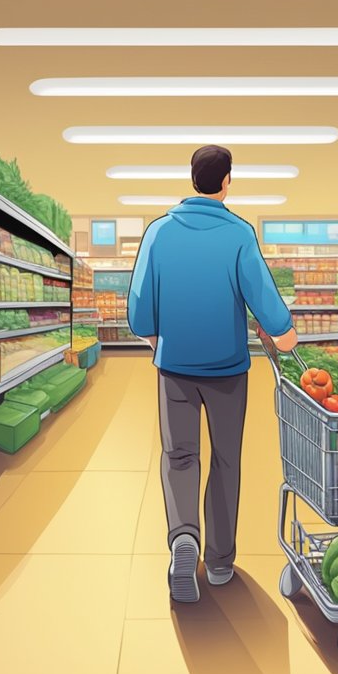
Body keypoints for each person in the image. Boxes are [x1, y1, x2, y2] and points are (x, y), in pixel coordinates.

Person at [128, 144, 299, 604]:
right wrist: (284, 335)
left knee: (179, 456)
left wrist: (154, 339)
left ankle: (184, 538)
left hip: (175, 369)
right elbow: (262, 297)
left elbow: (140, 309)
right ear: (226, 181)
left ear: (191, 179)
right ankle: (220, 561)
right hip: (227, 369)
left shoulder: (158, 233)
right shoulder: (239, 234)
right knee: (226, 461)